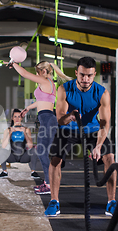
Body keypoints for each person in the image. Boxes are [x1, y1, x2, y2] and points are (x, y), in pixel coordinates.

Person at [45, 56, 118, 217]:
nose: (85, 79)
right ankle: (54, 201)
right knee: (55, 160)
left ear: (94, 75)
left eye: (89, 75)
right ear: (76, 73)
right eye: (82, 75)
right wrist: (69, 116)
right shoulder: (65, 89)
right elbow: (59, 118)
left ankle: (112, 202)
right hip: (69, 129)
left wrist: (99, 146)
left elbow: (105, 123)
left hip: (93, 131)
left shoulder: (102, 93)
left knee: (110, 158)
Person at [9, 61, 71, 195]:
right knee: (43, 151)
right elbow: (42, 101)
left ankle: (49, 184)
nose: (37, 75)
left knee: (42, 151)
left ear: (43, 72)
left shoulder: (44, 81)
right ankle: (48, 182)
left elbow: (24, 73)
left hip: (48, 119)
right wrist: (28, 108)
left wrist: (13, 63)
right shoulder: (50, 84)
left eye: (38, 72)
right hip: (47, 119)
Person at [0, 109, 40, 179]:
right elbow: (3, 146)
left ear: (21, 118)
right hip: (12, 156)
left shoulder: (26, 129)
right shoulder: (8, 130)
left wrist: (25, 133)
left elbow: (30, 146)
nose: (17, 119)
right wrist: (10, 133)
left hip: (23, 157)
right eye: (15, 116)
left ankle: (33, 172)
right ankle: (4, 172)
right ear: (12, 118)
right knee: (1, 151)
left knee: (34, 150)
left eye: (19, 117)